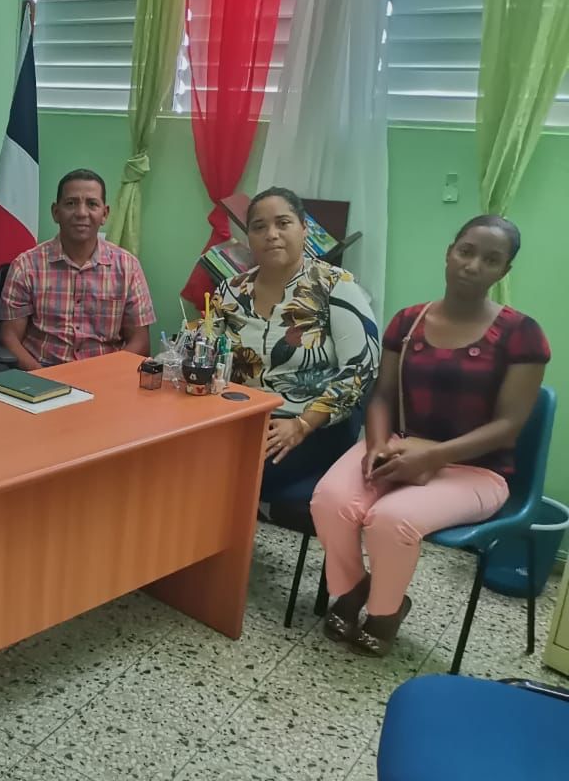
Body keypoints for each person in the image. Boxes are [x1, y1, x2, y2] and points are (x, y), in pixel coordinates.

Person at [311, 216, 550, 655]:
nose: (473, 265)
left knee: (389, 520)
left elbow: (508, 426)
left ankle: (386, 611)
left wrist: (431, 458)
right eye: (466, 251)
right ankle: (351, 590)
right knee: (330, 501)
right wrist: (378, 444)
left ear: (504, 272)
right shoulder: (407, 321)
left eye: (491, 259)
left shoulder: (522, 335)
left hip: (476, 469)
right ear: (449, 252)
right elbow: (381, 396)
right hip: (398, 446)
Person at [210, 187, 380, 498]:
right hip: (240, 419)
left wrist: (301, 424)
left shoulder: (334, 285)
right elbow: (205, 353)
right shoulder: (230, 290)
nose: (271, 234)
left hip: (310, 424)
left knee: (227, 472)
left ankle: (218, 543)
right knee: (175, 454)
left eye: (283, 223)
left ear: (304, 230)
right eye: (259, 227)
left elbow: (361, 370)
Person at [0, 168, 155, 368]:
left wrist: (106, 378)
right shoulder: (26, 266)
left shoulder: (127, 267)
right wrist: (45, 380)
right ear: (56, 212)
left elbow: (140, 342)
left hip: (105, 376)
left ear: (104, 214)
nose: (81, 213)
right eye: (71, 203)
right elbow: (9, 337)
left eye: (92, 204)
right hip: (42, 373)